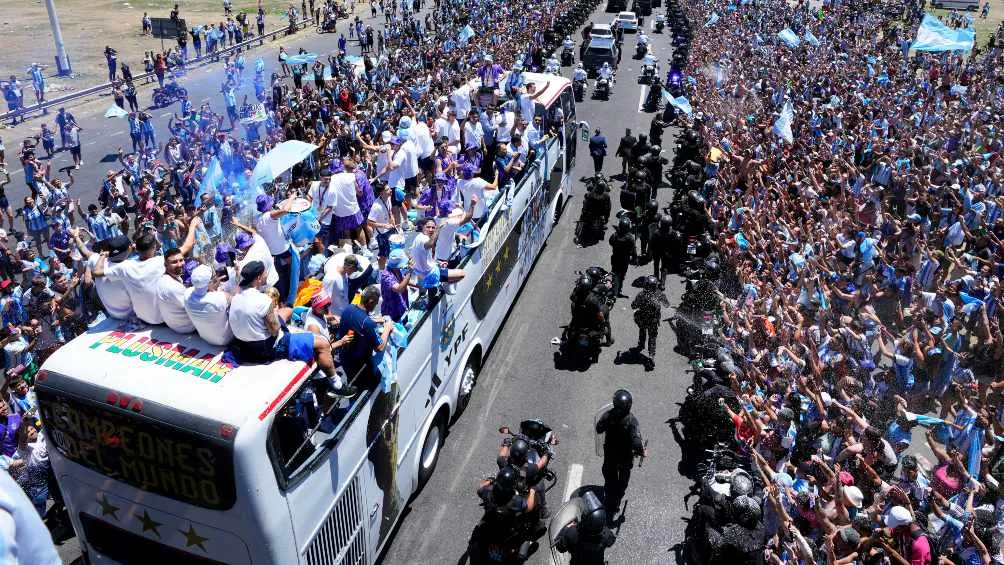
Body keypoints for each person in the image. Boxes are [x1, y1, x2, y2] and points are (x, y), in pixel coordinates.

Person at [228, 261, 355, 395]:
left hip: (244, 346)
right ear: (258, 278)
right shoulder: (263, 301)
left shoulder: (235, 297)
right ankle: (337, 385)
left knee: (287, 310)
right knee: (322, 344)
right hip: (266, 349)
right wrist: (273, 313)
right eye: (265, 273)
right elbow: (275, 330)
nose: (267, 275)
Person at [92, 219, 201, 325]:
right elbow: (187, 245)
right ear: (154, 247)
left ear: (136, 249)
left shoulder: (125, 267)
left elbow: (96, 272)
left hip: (143, 318)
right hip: (162, 319)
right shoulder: (159, 261)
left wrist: (103, 255)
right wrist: (192, 226)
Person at [333, 284, 394, 390]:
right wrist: (387, 328)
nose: (375, 306)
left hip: (345, 358)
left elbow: (356, 322)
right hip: (360, 366)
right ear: (370, 301)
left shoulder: (348, 309)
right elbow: (379, 347)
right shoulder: (368, 324)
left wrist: (373, 319)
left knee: (352, 382)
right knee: (366, 388)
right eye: (375, 303)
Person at [595, 389, 646, 515]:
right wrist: (642, 451)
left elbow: (599, 428)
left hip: (610, 455)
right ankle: (617, 501)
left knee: (609, 479)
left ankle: (608, 501)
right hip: (625, 457)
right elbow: (637, 442)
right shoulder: (631, 421)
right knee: (622, 481)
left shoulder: (608, 415)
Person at [254, 194, 294, 302]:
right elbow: (286, 210)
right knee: (292, 271)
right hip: (283, 249)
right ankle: (292, 292)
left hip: (272, 252)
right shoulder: (270, 215)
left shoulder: (257, 218)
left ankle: (281, 297)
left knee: (279, 275)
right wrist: (291, 197)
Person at [184, 264, 234, 345]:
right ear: (210, 282)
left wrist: (213, 288)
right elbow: (237, 300)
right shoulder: (221, 297)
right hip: (226, 339)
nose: (217, 277)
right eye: (215, 276)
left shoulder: (186, 294)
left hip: (205, 337)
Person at [631, 275, 669, 367]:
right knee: (652, 337)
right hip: (653, 321)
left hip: (642, 318)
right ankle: (651, 355)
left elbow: (634, 306)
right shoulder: (660, 294)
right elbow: (667, 305)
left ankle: (641, 343)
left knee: (642, 329)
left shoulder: (641, 294)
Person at [156, 247, 196, 334]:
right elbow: (194, 306)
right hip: (186, 327)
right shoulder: (172, 286)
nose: (179, 264)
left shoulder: (165, 277)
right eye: (174, 262)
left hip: (174, 323)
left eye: (181, 260)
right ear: (165, 265)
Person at [608, 218, 636, 298]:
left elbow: (610, 242)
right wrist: (634, 258)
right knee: (622, 275)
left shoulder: (615, 235)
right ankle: (619, 290)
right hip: (624, 260)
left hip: (615, 258)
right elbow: (633, 250)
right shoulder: (630, 238)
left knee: (614, 273)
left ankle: (613, 289)